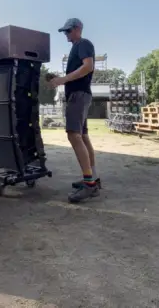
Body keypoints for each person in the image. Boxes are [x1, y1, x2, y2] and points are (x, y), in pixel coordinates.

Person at [48, 18, 99, 203]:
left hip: (78, 95)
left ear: (78, 29)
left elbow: (88, 67)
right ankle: (93, 179)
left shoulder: (83, 44)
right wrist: (60, 79)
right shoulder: (76, 47)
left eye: (68, 31)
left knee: (73, 135)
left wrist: (63, 80)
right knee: (83, 136)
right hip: (80, 95)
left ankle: (89, 184)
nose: (66, 34)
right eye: (64, 32)